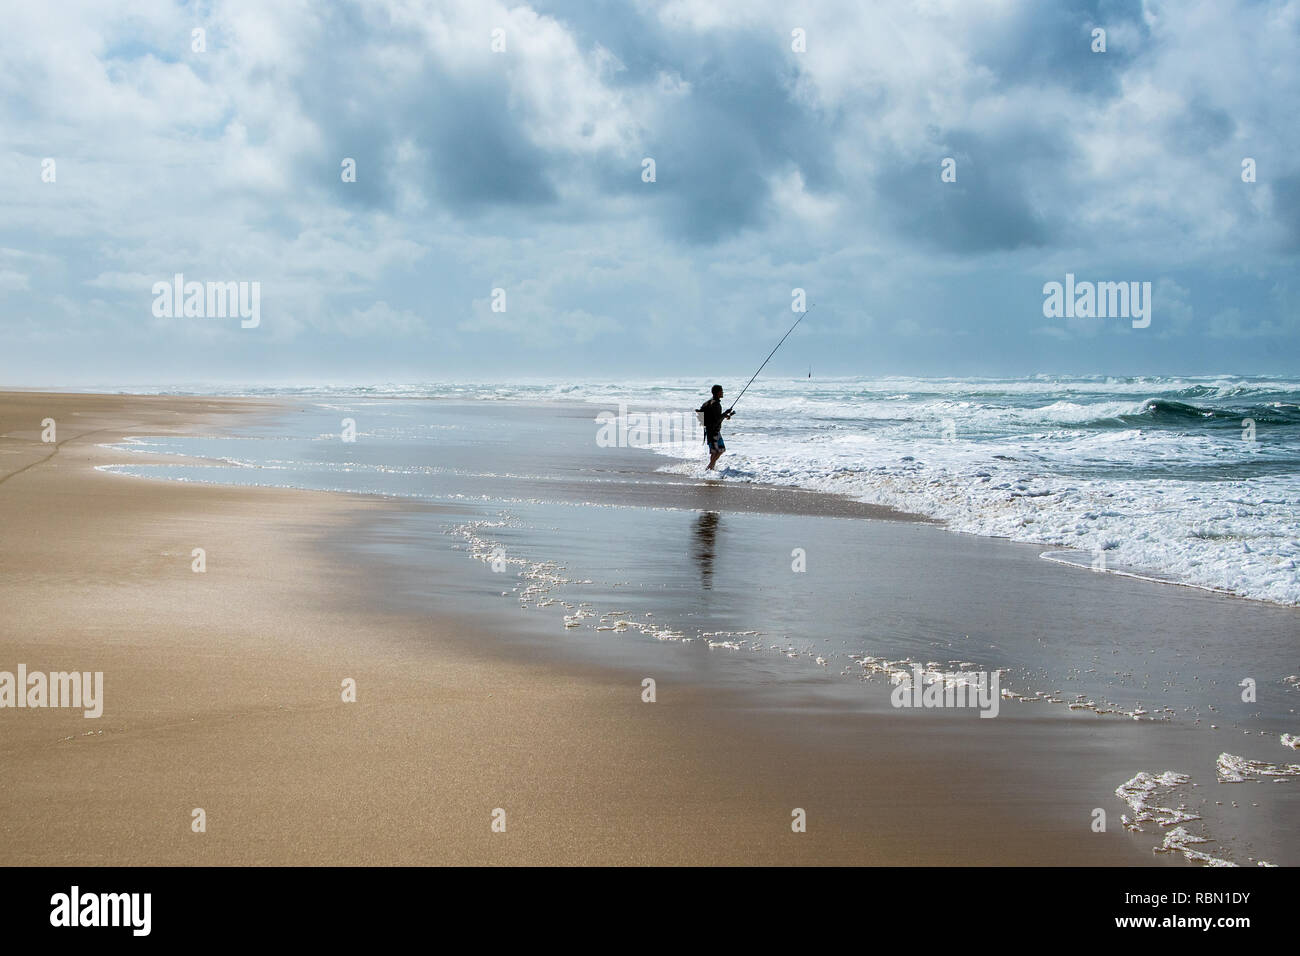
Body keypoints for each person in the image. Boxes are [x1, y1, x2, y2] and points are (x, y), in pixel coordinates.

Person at [696, 384, 734, 471]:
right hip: (714, 432)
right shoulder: (716, 404)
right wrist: (725, 414)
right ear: (718, 392)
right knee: (720, 450)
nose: (723, 392)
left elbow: (713, 417)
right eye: (721, 391)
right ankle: (709, 467)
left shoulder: (707, 403)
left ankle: (711, 468)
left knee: (714, 451)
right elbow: (717, 420)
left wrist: (725, 415)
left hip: (709, 430)